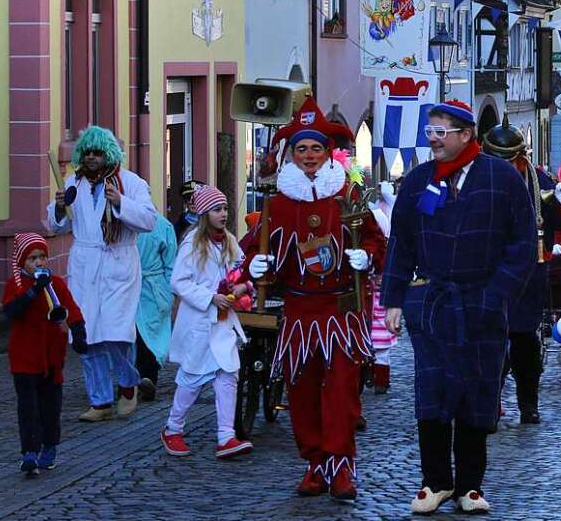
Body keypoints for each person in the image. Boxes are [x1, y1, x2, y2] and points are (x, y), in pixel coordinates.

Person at [381, 100, 536, 515]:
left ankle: (470, 485)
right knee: (431, 392)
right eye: (429, 131)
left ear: (465, 134)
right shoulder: (418, 182)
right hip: (433, 303)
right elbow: (402, 242)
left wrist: (496, 295)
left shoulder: (501, 179)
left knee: (478, 391)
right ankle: (435, 483)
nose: (432, 139)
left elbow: (522, 245)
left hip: (483, 303)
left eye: (440, 132)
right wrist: (394, 298)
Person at [243, 97, 385, 502]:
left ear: (328, 154)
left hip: (340, 310)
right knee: (301, 392)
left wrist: (367, 255)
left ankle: (341, 466)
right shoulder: (278, 205)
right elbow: (255, 248)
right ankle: (315, 464)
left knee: (341, 391)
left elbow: (376, 239)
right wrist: (255, 266)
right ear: (293, 155)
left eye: (316, 148)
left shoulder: (348, 198)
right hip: (300, 311)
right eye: (302, 149)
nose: (308, 156)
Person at [47, 126, 158, 421]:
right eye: (88, 152)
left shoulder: (130, 183)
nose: (93, 158)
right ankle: (100, 402)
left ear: (108, 154)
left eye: (98, 152)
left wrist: (120, 201)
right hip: (85, 264)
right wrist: (59, 209)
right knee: (86, 335)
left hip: (118, 261)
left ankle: (127, 384)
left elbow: (149, 219)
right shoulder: (74, 183)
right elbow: (56, 225)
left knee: (115, 333)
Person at [482, 116, 561, 425]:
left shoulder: (538, 180)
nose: (506, 168)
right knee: (488, 343)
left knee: (524, 344)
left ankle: (528, 403)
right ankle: (489, 402)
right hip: (488, 273)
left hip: (527, 276)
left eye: (510, 161)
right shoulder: (475, 180)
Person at [162, 186, 254, 459]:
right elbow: (179, 282)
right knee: (192, 378)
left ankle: (226, 436)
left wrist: (243, 287)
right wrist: (210, 298)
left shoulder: (229, 241)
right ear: (204, 214)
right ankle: (172, 428)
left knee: (228, 374)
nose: (223, 214)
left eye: (225, 208)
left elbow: (241, 270)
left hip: (223, 323)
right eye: (217, 209)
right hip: (199, 322)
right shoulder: (192, 244)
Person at [3, 233, 88, 476]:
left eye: (42, 257)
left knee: (50, 406)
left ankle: (49, 447)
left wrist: (79, 335)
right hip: (24, 355)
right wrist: (33, 292)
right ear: (22, 262)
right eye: (32, 258)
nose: (39, 262)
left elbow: (72, 309)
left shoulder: (56, 283)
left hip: (51, 356)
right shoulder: (16, 285)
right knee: (28, 406)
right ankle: (29, 452)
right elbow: (12, 312)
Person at [134, 215, 178, 402]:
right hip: (143, 286)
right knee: (141, 334)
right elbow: (170, 262)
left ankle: (145, 379)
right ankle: (140, 378)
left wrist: (170, 290)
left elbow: (170, 262)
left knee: (145, 334)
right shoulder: (123, 223)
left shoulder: (161, 225)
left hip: (149, 287)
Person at [368, 180, 398, 394]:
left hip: (380, 305)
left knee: (381, 349)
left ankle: (380, 379)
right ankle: (378, 378)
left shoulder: (387, 250)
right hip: (373, 306)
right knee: (376, 348)